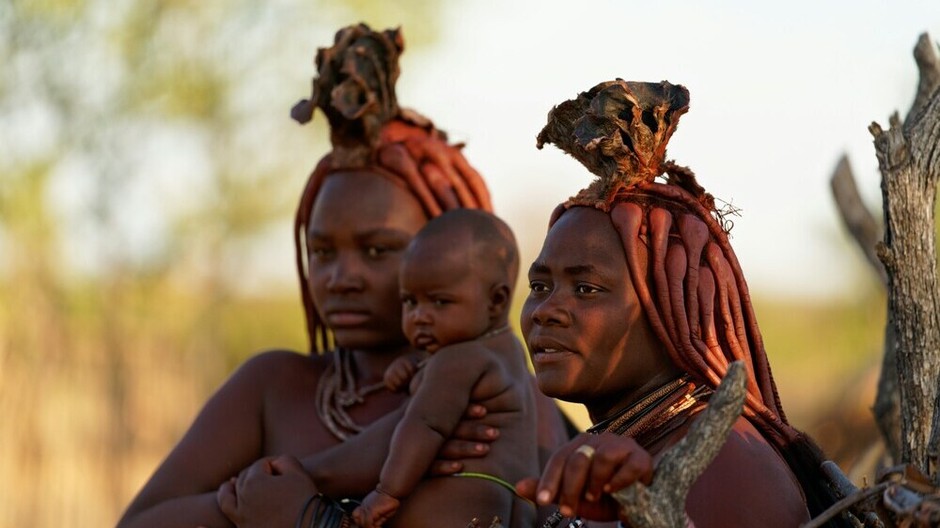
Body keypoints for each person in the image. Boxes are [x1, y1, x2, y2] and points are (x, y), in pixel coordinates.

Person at [116, 23, 570, 528]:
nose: (341, 277)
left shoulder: (509, 398)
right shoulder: (273, 387)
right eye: (322, 251)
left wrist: (304, 501)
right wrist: (251, 502)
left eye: (379, 250)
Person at [510, 79, 851, 527]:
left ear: (670, 314)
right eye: (539, 286)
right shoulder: (627, 448)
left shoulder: (722, 462)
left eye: (586, 289)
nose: (545, 310)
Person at [349, 208, 540, 527]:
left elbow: (424, 424)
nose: (420, 316)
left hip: (464, 494)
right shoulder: (507, 350)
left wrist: (387, 492)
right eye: (410, 302)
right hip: (516, 500)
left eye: (439, 302)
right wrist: (416, 366)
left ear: (495, 301)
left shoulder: (457, 360)